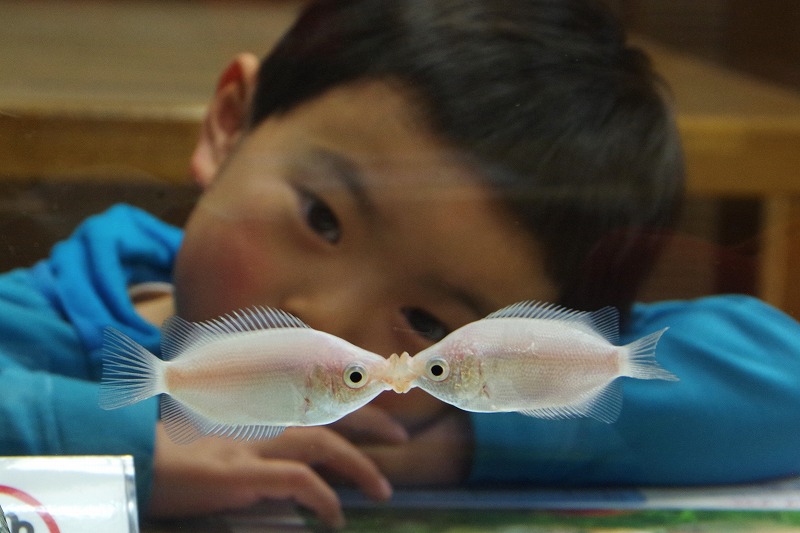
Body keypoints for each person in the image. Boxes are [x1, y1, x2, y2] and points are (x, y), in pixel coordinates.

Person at [2, 0, 800, 529]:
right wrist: (130, 443)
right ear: (232, 123)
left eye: (426, 320)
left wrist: (473, 436)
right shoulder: (37, 331)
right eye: (323, 218)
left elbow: (781, 379)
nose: (327, 320)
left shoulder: (458, 395)